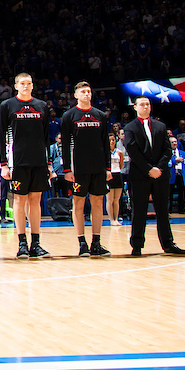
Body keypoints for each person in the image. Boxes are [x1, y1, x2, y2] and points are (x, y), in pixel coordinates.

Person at [123, 97, 185, 257]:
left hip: (161, 174)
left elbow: (167, 150)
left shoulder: (160, 126)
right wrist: (148, 169)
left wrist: (158, 168)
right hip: (140, 174)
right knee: (139, 211)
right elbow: (133, 151)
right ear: (135, 107)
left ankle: (168, 244)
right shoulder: (130, 127)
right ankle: (137, 245)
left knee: (162, 210)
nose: (145, 107)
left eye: (147, 104)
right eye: (142, 104)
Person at [0, 73, 53, 259]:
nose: (26, 86)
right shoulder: (8, 106)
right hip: (17, 161)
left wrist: (48, 163)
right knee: (20, 201)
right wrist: (4, 164)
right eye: (23, 83)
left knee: (35, 201)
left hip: (38, 161)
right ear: (16, 86)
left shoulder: (41, 106)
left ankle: (36, 243)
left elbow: (46, 138)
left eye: (29, 83)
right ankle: (22, 243)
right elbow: (1, 137)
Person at [60, 82, 112, 257]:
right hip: (78, 168)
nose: (86, 94)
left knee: (98, 203)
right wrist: (67, 169)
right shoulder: (69, 116)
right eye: (83, 91)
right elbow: (65, 145)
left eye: (89, 91)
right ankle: (82, 243)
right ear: (75, 95)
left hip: (98, 167)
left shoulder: (100, 115)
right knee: (78, 204)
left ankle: (96, 242)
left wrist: (108, 168)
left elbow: (105, 143)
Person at [106, 133, 125, 225]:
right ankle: (111, 219)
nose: (112, 142)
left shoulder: (119, 152)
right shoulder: (105, 152)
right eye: (110, 140)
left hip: (117, 174)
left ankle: (116, 218)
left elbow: (121, 165)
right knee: (110, 199)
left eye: (113, 140)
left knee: (116, 199)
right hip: (109, 175)